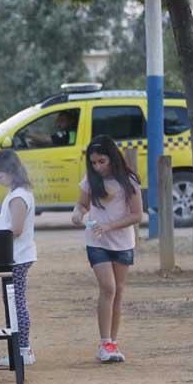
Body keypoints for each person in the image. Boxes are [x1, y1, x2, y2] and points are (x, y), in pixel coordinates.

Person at [71, 135, 143, 364]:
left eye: (102, 161)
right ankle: (104, 343)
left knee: (119, 291)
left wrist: (110, 226)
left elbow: (136, 214)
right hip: (97, 242)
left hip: (122, 242)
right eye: (93, 162)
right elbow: (82, 204)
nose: (97, 167)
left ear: (112, 158)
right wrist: (78, 213)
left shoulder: (128, 181)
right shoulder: (91, 180)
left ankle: (112, 341)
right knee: (108, 288)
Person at [0, 149, 37, 366]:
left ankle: (23, 349)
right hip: (14, 256)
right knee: (13, 302)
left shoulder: (18, 196)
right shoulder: (16, 193)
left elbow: (15, 229)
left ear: (10, 172)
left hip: (17, 257)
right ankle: (20, 347)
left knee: (16, 303)